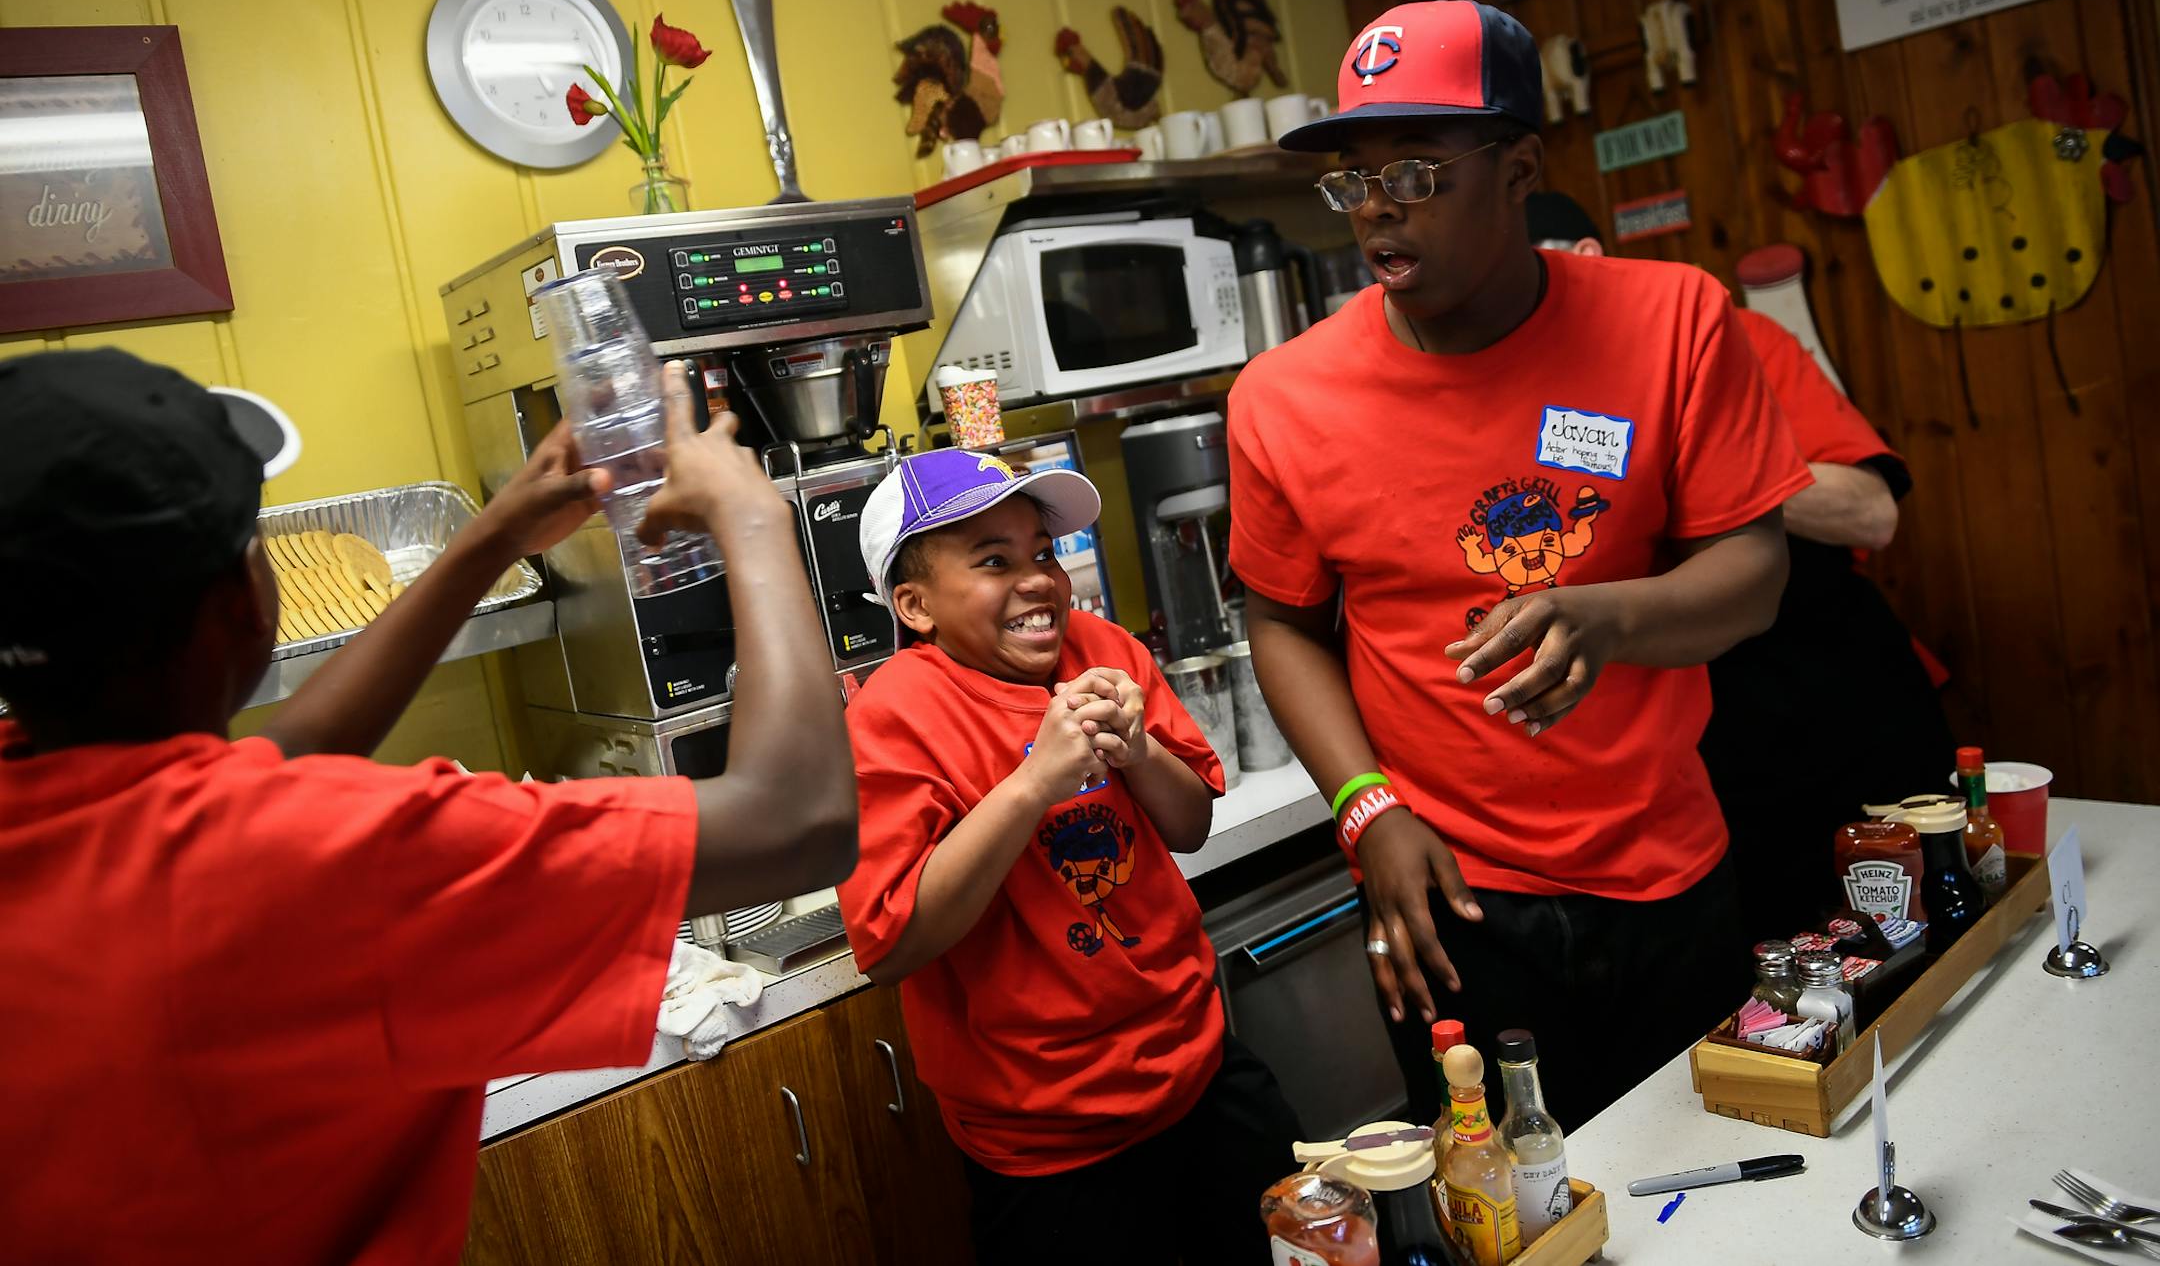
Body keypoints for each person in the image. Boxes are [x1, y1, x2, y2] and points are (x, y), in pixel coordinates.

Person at [0, 350, 857, 1263]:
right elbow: (800, 820)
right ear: (243, 601)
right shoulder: (340, 856)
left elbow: (259, 768)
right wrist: (755, 513)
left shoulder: (51, 791)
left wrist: (489, 540)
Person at [1229, 0, 1813, 1130]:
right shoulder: (1282, 398)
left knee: (1719, 1196)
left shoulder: (1674, 320)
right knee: (1508, 1217)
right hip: (1448, 902)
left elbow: (1756, 570)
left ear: (1520, 166)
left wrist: (1610, 619)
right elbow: (1284, 620)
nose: (1378, 208)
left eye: (1415, 169)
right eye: (1353, 178)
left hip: (1668, 874)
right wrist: (1365, 808)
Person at [834, 448, 1301, 1265]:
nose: (1037, 579)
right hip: (1050, 1140)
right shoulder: (895, 713)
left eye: (1042, 552)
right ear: (914, 605)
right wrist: (1029, 786)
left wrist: (1139, 753)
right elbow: (891, 940)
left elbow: (1189, 822)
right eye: (993, 560)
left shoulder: (1103, 647)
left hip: (1200, 1067)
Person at [1526, 192, 1955, 937]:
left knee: (1921, 937)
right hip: (1686, 743)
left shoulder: (1726, 338)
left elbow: (1871, 511)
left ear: (1590, 260)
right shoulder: (1524, 400)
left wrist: (1707, 464)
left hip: (1833, 691)